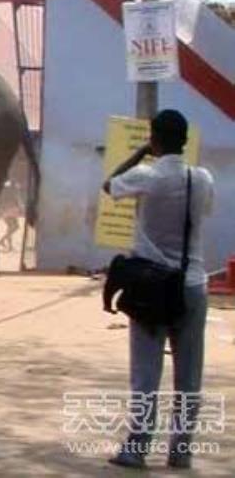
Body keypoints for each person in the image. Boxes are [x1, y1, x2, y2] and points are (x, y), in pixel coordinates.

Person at [102, 109, 214, 470]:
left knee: (146, 374)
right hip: (192, 285)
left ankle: (137, 448)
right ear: (185, 141)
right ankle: (180, 451)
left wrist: (139, 153)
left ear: (155, 139)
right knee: (189, 376)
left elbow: (110, 185)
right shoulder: (203, 179)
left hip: (151, 287)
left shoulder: (146, 176)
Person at [0, 180, 23, 252]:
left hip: (6, 211)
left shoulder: (5, 193)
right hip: (10, 211)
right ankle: (2, 240)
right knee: (15, 227)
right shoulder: (13, 193)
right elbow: (18, 200)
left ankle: (9, 246)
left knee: (10, 228)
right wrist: (21, 208)